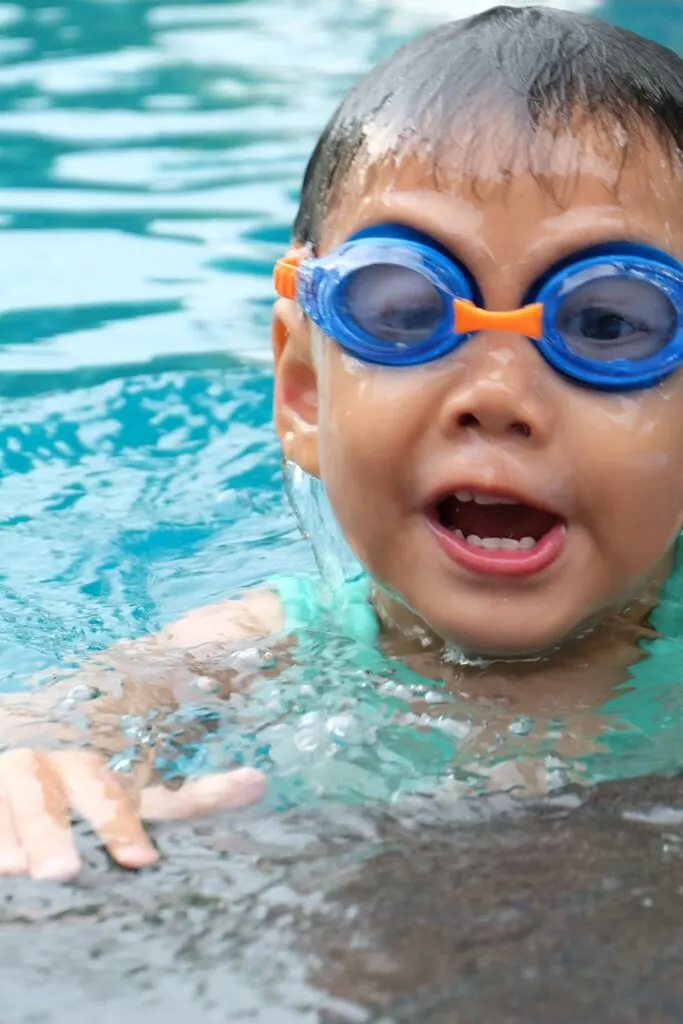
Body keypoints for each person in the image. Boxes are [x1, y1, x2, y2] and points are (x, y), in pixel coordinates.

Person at [3, 3, 683, 880]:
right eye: (403, 311)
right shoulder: (271, 645)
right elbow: (57, 725)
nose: (496, 398)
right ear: (306, 392)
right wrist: (44, 766)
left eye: (607, 323)